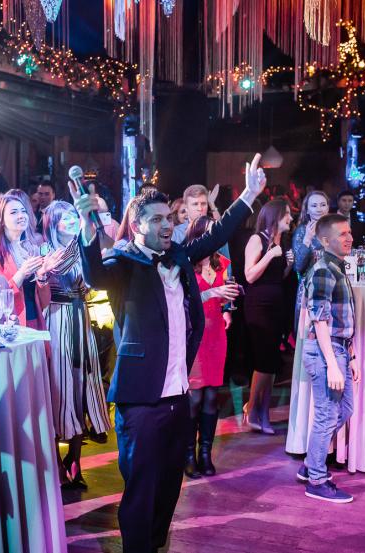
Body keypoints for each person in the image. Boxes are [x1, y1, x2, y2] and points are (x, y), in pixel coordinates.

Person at [73, 154, 267, 552]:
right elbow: (95, 274)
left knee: (168, 487)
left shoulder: (178, 255)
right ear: (137, 225)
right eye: (156, 219)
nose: (166, 225)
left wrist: (249, 194)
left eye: (168, 218)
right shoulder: (123, 263)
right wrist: (86, 229)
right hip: (142, 400)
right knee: (141, 491)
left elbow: (216, 234)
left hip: (178, 395)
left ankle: (155, 545)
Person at [39, 200, 111, 489]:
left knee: (83, 383)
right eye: (66, 217)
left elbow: (94, 280)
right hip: (57, 317)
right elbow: (57, 270)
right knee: (60, 385)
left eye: (74, 215)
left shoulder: (84, 247)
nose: (72, 220)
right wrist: (84, 233)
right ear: (53, 224)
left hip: (81, 317)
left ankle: (76, 459)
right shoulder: (45, 251)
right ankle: (57, 460)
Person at [296, 214, 359, 503]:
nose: (349, 238)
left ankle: (311, 463)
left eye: (349, 233)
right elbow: (319, 320)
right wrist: (332, 363)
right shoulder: (323, 270)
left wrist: (351, 356)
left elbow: (343, 319)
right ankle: (317, 481)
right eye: (342, 234)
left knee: (345, 409)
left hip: (338, 349)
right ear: (324, 241)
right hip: (326, 351)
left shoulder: (337, 268)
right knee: (326, 415)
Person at [183, 216, 239, 479]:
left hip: (216, 334)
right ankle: (188, 454)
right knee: (194, 396)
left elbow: (225, 295)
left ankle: (205, 452)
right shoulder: (185, 264)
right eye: (209, 234)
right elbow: (184, 301)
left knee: (212, 396)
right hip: (195, 335)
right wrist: (213, 294)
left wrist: (228, 306)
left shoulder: (222, 263)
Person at [243, 199, 294, 435]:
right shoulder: (257, 240)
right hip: (259, 306)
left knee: (272, 362)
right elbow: (250, 275)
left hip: (276, 304)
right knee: (263, 361)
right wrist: (270, 255)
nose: (291, 218)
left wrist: (288, 266)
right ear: (275, 216)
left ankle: (264, 412)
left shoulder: (281, 241)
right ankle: (252, 408)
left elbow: (276, 277)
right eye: (287, 214)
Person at [0, 193, 51, 330]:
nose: (21, 216)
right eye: (14, 212)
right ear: (0, 219)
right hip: (10, 325)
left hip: (34, 320)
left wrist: (42, 276)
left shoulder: (31, 248)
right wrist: (21, 273)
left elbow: (44, 302)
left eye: (23, 211)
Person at [291, 191, 328, 332]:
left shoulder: (335, 229)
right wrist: (307, 238)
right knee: (310, 334)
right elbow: (298, 266)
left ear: (328, 207)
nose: (319, 209)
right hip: (310, 289)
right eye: (314, 205)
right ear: (307, 210)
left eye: (322, 205)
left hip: (332, 287)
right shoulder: (302, 231)